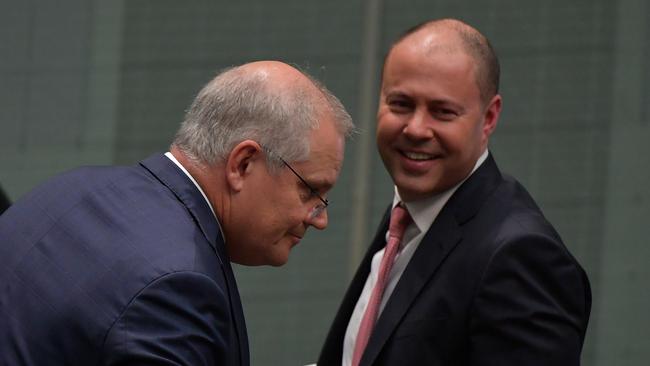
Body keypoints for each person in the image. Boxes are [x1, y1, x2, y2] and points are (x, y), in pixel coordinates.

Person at [0, 61, 353, 365]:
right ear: (243, 164)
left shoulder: (72, 188)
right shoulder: (178, 286)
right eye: (310, 190)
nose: (320, 218)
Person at [318, 19, 591, 366]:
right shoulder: (407, 215)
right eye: (400, 104)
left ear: (489, 117)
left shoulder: (521, 256)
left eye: (442, 112)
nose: (416, 128)